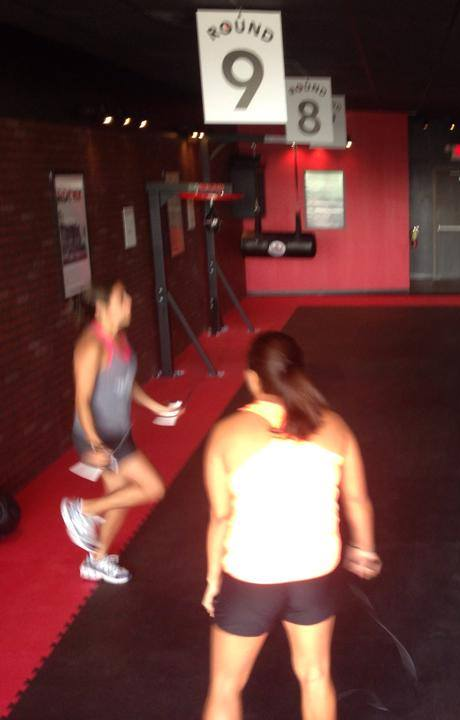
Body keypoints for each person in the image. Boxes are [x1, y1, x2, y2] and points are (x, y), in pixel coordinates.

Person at [201, 331, 380, 720]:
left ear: (252, 379)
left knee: (226, 686)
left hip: (250, 578)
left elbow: (220, 517)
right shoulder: (336, 427)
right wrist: (364, 550)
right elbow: (357, 500)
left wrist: (213, 579)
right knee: (315, 676)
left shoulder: (226, 433)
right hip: (314, 575)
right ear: (299, 373)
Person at [60, 280, 181, 584]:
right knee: (152, 488)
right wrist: (95, 443)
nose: (129, 301)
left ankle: (97, 560)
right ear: (102, 308)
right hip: (97, 436)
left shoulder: (120, 337)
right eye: (121, 298)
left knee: (120, 496)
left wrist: (159, 408)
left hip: (120, 433)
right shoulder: (91, 345)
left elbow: (127, 383)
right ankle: (81, 509)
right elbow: (82, 401)